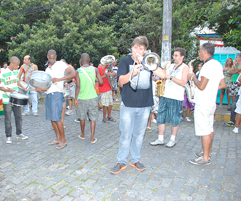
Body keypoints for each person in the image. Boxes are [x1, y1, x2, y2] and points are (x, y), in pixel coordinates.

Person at [110, 36, 167, 174]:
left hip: (144, 104)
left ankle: (135, 159)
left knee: (139, 134)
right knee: (125, 135)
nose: (137, 50)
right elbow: (120, 82)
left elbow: (163, 75)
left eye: (140, 48)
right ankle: (121, 161)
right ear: (132, 48)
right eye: (135, 47)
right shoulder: (125, 61)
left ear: (145, 50)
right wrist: (133, 72)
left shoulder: (149, 61)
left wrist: (150, 65)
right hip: (128, 104)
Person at [188, 43, 226, 165]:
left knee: (204, 130)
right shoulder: (217, 64)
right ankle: (207, 153)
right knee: (209, 128)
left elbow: (201, 86)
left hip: (203, 102)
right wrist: (212, 90)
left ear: (204, 51)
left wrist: (193, 77)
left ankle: (205, 158)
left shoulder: (207, 66)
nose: (199, 53)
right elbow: (223, 84)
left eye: (200, 51)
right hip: (211, 102)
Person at [35, 49, 75, 149]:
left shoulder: (61, 64)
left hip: (57, 94)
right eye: (50, 57)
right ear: (47, 57)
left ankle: (63, 140)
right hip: (49, 94)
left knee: (57, 118)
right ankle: (58, 138)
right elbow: (47, 85)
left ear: (56, 57)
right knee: (52, 119)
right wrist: (41, 90)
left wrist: (59, 79)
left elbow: (73, 73)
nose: (52, 59)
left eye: (53, 57)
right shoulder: (47, 69)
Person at [150, 48, 189, 148]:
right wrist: (153, 66)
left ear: (182, 57)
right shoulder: (169, 65)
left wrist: (170, 77)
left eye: (176, 55)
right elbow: (162, 76)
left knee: (175, 119)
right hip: (165, 95)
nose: (174, 57)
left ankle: (172, 139)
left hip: (176, 97)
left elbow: (184, 82)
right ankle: (160, 138)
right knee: (161, 118)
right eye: (174, 55)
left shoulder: (185, 67)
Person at [0, 56, 28, 144]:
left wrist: (24, 87)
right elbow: (1, 87)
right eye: (16, 65)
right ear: (11, 63)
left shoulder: (16, 72)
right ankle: (8, 136)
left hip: (16, 97)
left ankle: (19, 133)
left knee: (18, 116)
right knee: (8, 118)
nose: (18, 67)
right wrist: (8, 90)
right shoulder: (3, 73)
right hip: (6, 98)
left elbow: (18, 82)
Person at [75, 53, 103, 143]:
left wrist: (76, 99)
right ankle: (92, 138)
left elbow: (78, 86)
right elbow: (101, 81)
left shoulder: (78, 71)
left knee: (82, 117)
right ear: (89, 60)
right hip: (93, 97)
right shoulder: (95, 69)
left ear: (81, 61)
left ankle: (82, 135)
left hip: (82, 98)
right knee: (93, 118)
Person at [226, 56, 241, 127]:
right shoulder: (235, 65)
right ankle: (232, 119)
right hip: (233, 82)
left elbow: (238, 70)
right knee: (233, 98)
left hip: (237, 84)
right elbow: (230, 72)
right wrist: (235, 71)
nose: (236, 58)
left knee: (237, 101)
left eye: (237, 57)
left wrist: (235, 66)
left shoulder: (238, 65)